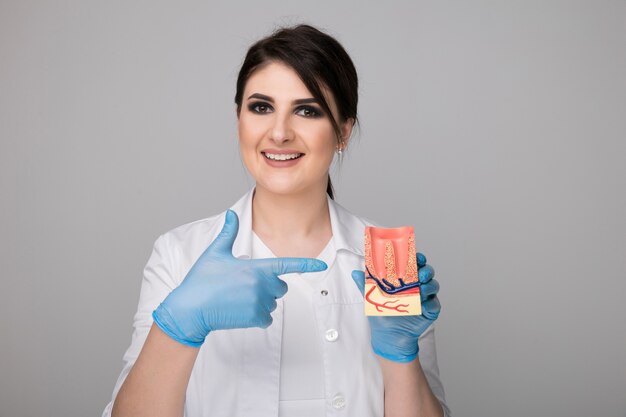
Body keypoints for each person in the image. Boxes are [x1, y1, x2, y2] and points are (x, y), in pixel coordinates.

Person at [103, 24, 449, 417]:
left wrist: (402, 360)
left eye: (307, 110)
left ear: (343, 132)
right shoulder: (179, 254)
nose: (280, 132)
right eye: (261, 107)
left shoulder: (390, 260)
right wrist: (177, 330)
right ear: (239, 120)